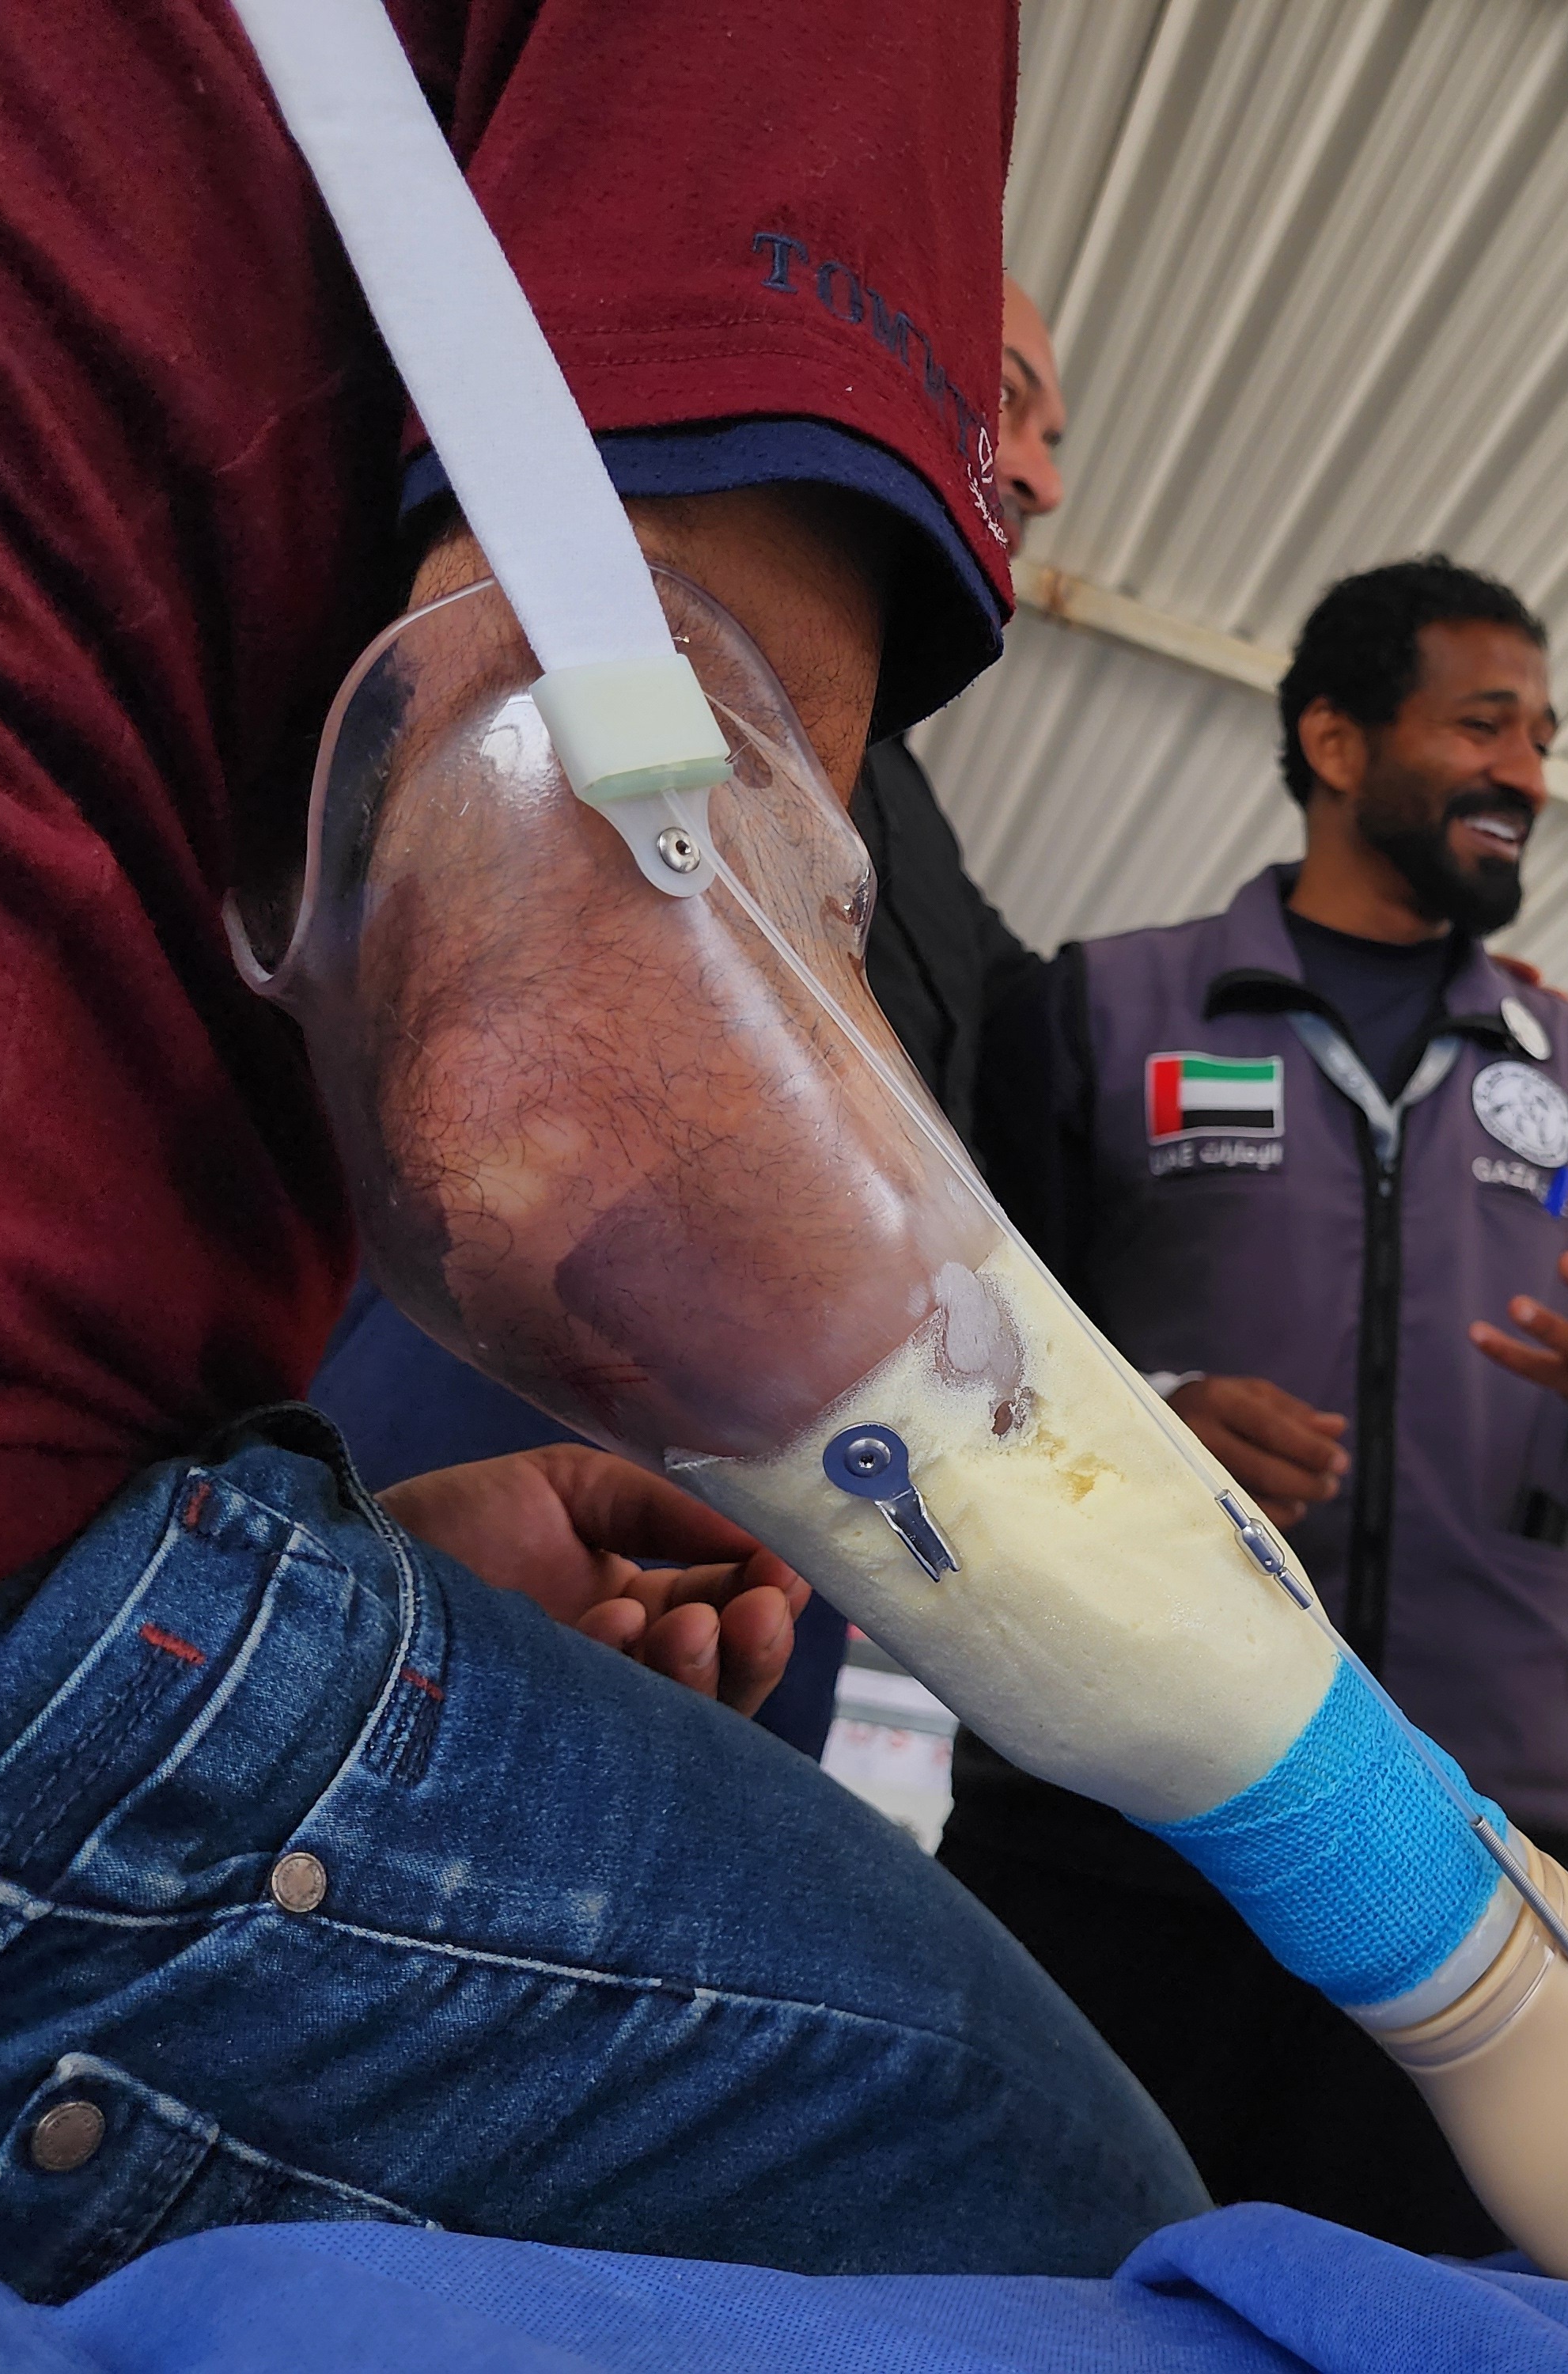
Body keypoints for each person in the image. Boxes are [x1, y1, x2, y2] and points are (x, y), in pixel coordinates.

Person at [0, 0, 1211, 2290]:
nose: (1010, 472)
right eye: (986, 390)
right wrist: (1444, 1911)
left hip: (127, 1465)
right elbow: (593, 1050)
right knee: (1052, 2225)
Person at [945, 556, 1568, 2254]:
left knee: (1424, 2314)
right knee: (1056, 2288)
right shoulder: (1100, 1010)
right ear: (1331, 738)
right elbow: (952, 1342)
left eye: (1543, 734)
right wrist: (1153, 1412)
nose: (1528, 770)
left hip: (1470, 1867)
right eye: (1483, 723)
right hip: (1121, 1833)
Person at [308, 277, 1071, 1758]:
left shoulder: (897, 815)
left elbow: (1042, 1022)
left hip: (812, 1482)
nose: (1037, 472)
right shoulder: (552, 623)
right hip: (502, 1366)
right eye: (1014, 402)